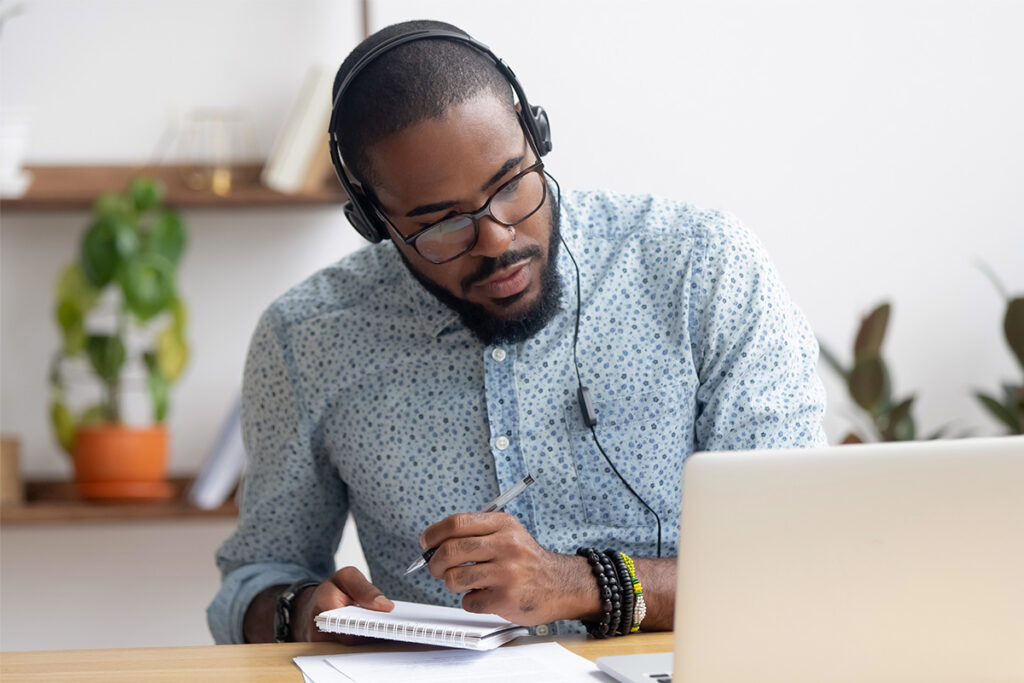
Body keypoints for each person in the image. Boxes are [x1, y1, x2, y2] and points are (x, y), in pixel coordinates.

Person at [208, 19, 827, 645]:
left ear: (538, 137)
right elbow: (254, 581)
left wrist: (578, 584)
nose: (497, 238)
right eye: (441, 223)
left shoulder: (703, 267)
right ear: (373, 221)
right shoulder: (306, 338)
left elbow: (800, 558)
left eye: (510, 184)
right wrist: (301, 610)